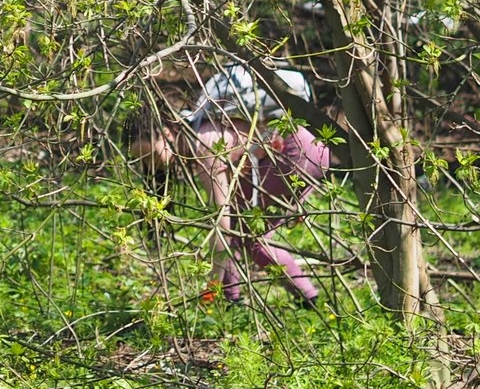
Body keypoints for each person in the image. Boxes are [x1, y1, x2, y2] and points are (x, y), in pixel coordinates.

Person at [129, 54, 332, 305]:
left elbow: (222, 223)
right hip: (309, 146)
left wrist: (210, 281)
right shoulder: (202, 129)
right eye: (144, 162)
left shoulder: (203, 144)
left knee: (247, 233)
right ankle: (230, 299)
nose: (152, 164)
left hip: (297, 151)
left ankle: (307, 298)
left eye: (150, 154)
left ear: (166, 131)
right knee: (241, 225)